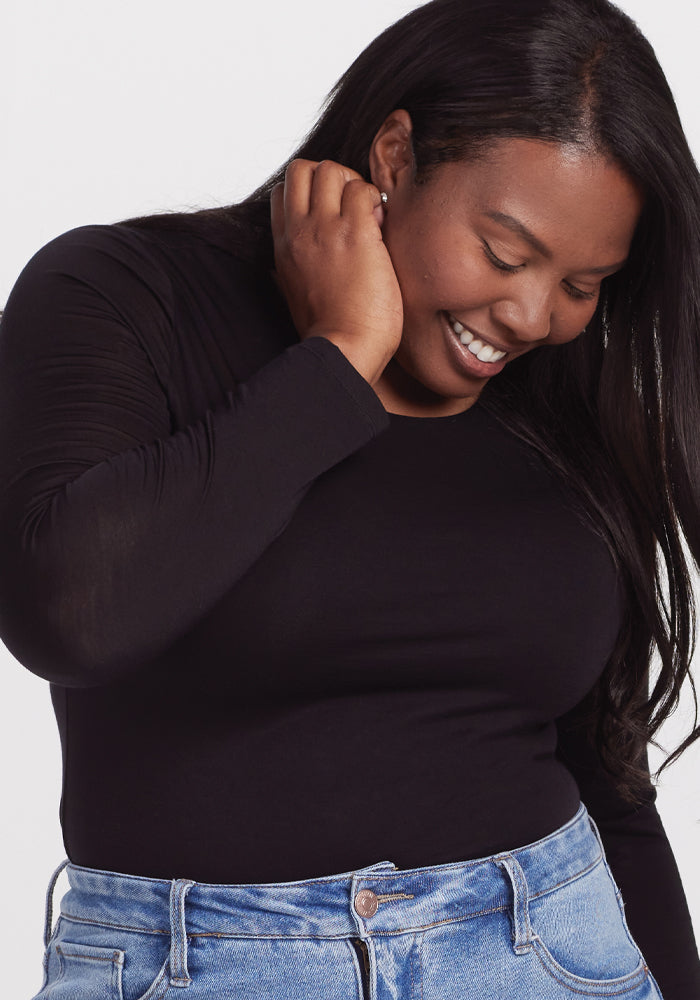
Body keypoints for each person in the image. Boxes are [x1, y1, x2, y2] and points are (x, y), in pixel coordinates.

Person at [1, 0, 699, 997]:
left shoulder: (561, 388)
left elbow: (604, 774)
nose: (534, 315)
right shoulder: (124, 298)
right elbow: (69, 616)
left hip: (548, 950)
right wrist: (337, 361)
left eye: (583, 283)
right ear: (394, 152)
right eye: (505, 255)